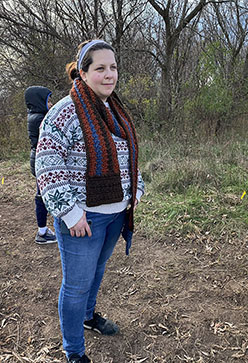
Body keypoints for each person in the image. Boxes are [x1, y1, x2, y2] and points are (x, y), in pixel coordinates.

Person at [35, 39, 144, 363]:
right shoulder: (64, 112)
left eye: (113, 67)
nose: (109, 74)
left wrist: (134, 192)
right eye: (100, 68)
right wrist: (70, 214)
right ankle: (74, 351)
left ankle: (88, 317)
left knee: (96, 272)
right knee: (76, 285)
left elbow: (128, 158)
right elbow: (47, 166)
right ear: (82, 73)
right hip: (83, 220)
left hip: (114, 216)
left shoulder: (115, 109)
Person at [25, 85, 57, 244]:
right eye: (48, 101)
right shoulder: (40, 118)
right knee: (43, 196)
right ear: (39, 101)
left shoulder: (35, 116)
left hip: (37, 160)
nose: (51, 104)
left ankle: (43, 230)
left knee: (42, 194)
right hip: (42, 162)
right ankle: (42, 232)